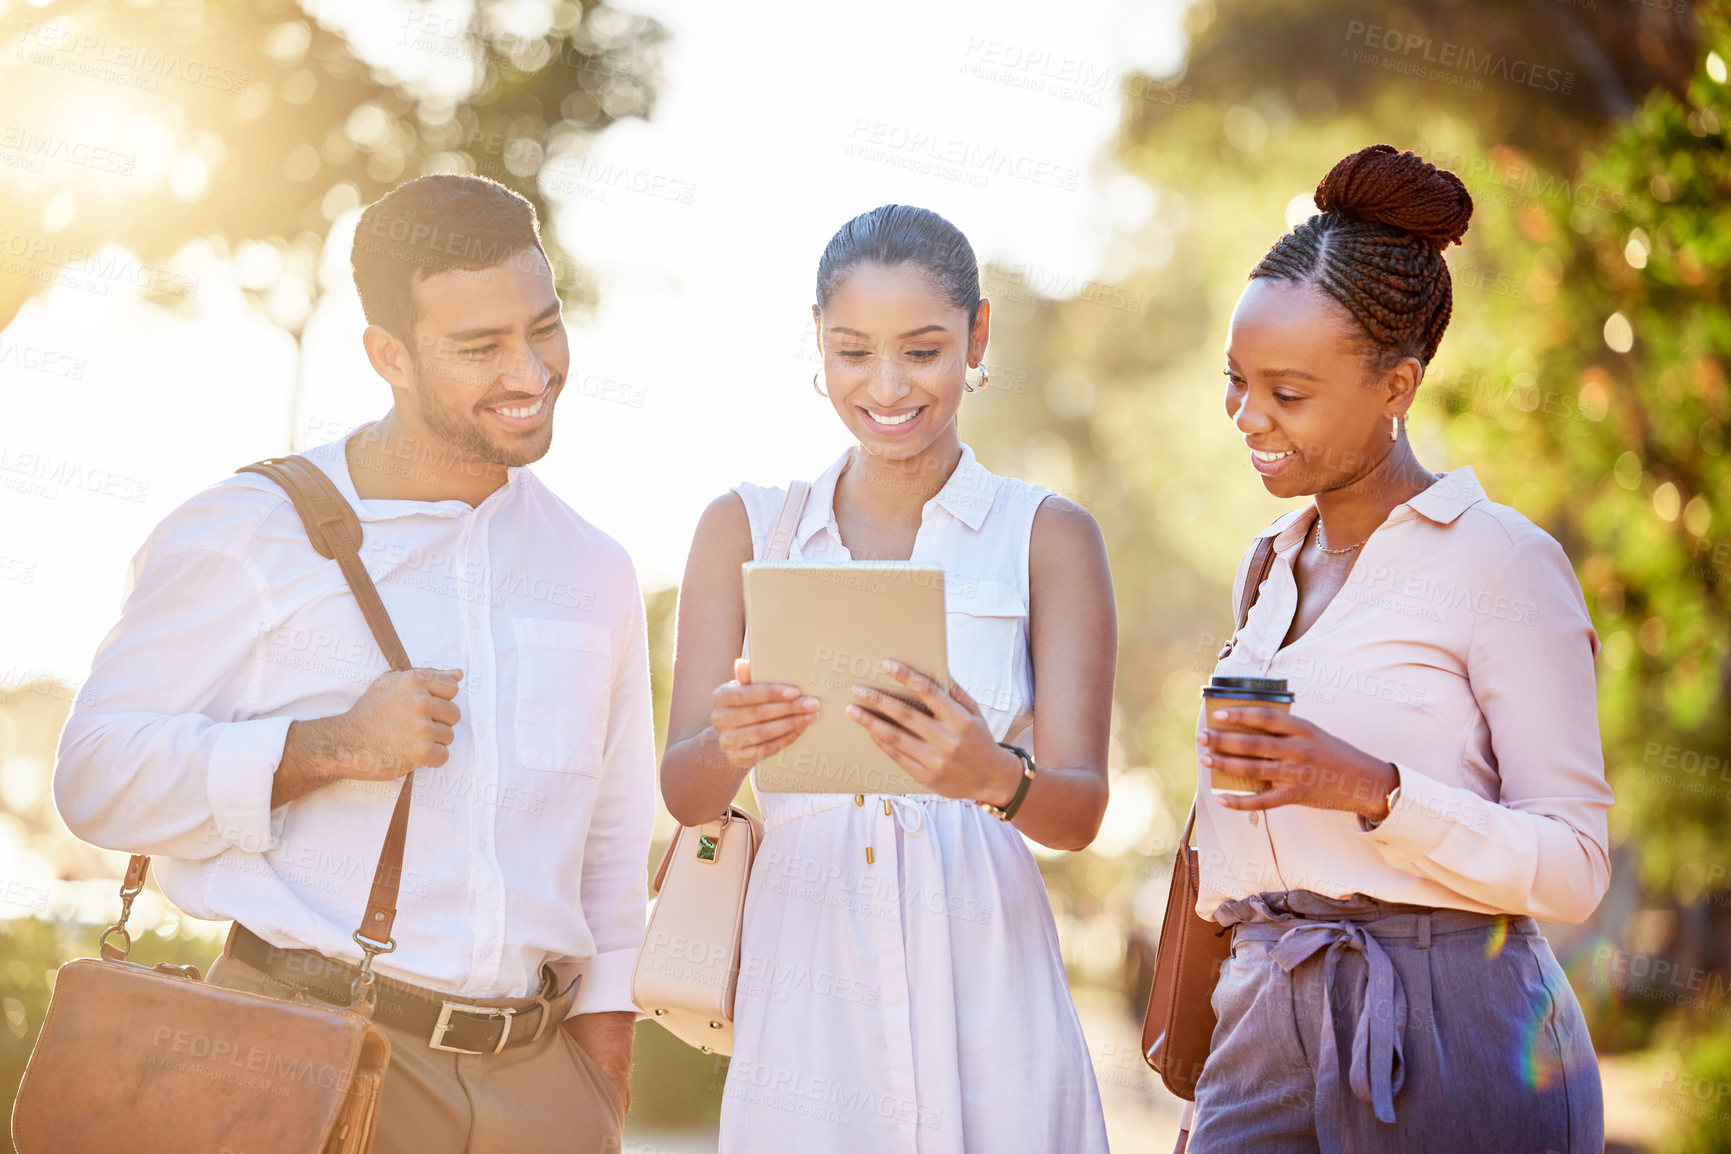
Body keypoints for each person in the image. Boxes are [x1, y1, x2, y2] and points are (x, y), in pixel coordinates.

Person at [53, 174, 652, 1154]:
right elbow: (96, 777)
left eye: (542, 328)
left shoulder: (594, 569)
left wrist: (600, 1082)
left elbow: (613, 851)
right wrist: (326, 745)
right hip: (301, 1065)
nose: (531, 370)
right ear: (390, 356)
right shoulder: (245, 533)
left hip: (545, 1090)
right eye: (479, 347)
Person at [1181, 145, 1613, 1153]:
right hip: (1264, 1019)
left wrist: (1376, 787)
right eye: (1236, 382)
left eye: (1288, 393)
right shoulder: (1267, 568)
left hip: (1455, 1029)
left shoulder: (1504, 561)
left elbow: (1577, 867)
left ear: (1397, 384)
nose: (1249, 417)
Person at [660, 204, 1115, 1152]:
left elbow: (1076, 814)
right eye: (852, 352)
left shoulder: (1049, 535)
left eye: (922, 350)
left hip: (982, 963)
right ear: (817, 345)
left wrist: (990, 775)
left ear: (977, 336)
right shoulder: (743, 528)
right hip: (805, 966)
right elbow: (683, 789)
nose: (887, 386)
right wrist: (729, 744)